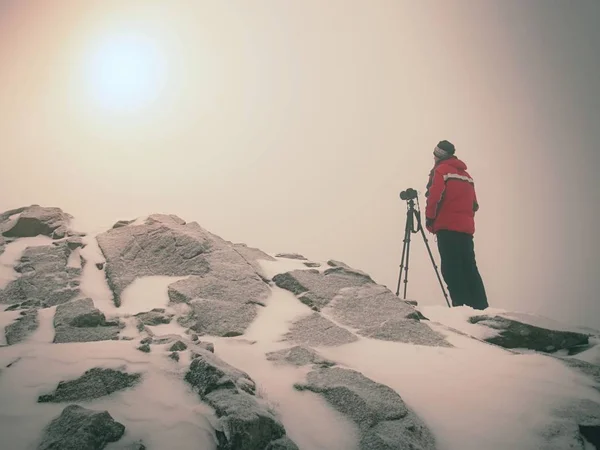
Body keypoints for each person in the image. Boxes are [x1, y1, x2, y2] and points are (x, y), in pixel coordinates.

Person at [424, 140, 488, 310]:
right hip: (465, 230)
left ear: (438, 155)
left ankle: (462, 308)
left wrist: (429, 219)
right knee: (469, 268)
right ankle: (481, 307)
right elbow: (474, 204)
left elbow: (434, 196)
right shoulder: (467, 177)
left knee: (451, 268)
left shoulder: (441, 171)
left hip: (447, 228)